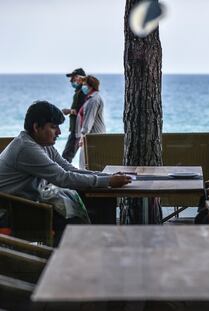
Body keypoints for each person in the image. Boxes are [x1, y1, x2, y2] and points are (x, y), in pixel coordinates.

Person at [0, 101, 131, 239]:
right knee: (73, 220)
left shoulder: (42, 144)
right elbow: (63, 178)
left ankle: (100, 247)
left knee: (100, 201)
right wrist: (108, 181)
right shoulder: (26, 148)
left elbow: (68, 168)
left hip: (26, 205)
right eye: (53, 127)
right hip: (11, 212)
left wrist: (106, 177)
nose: (59, 132)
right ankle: (61, 258)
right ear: (36, 127)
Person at [76, 75, 106, 169]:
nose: (83, 87)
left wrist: (83, 136)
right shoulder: (91, 99)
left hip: (92, 136)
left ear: (91, 86)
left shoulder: (94, 100)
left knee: (85, 163)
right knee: (87, 163)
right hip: (91, 136)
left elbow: (89, 120)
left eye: (84, 84)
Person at [61, 68, 87, 163]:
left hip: (77, 128)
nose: (71, 81)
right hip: (75, 128)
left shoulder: (82, 92)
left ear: (79, 78)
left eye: (73, 78)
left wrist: (69, 111)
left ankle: (63, 176)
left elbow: (81, 111)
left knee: (66, 156)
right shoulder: (79, 91)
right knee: (68, 155)